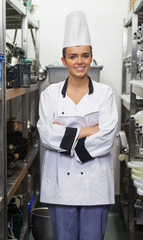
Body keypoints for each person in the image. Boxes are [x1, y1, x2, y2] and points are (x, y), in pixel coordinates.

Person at [36, 11, 118, 240]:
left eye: (84, 55)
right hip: (60, 187)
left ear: (92, 57)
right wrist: (89, 130)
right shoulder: (50, 94)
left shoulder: (105, 93)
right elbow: (45, 133)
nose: (79, 61)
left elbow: (107, 137)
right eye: (73, 56)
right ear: (63, 60)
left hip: (96, 186)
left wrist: (64, 134)